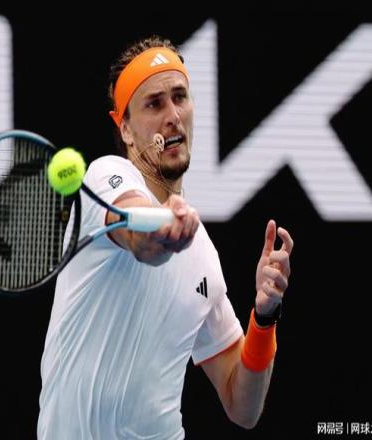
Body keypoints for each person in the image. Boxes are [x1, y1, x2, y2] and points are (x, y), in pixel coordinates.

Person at [37, 36, 294, 440]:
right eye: (154, 104)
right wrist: (165, 231)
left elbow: (243, 407)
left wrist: (264, 318)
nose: (173, 115)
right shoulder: (104, 179)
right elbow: (140, 238)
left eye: (180, 97)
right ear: (125, 128)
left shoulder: (204, 256)